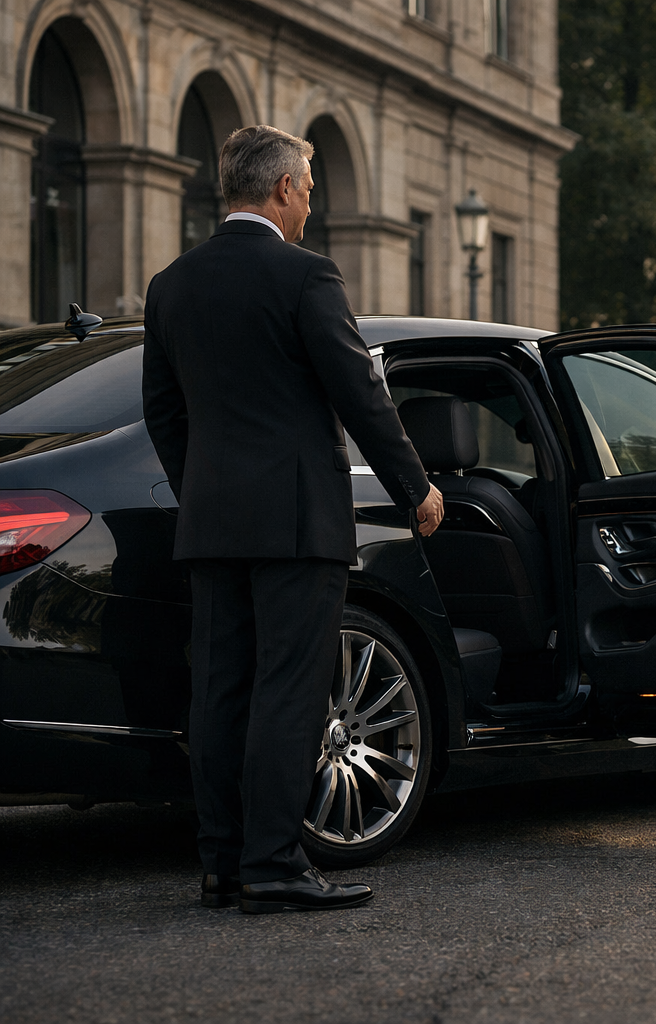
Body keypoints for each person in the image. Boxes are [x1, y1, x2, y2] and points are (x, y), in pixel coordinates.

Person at [142, 125, 445, 914]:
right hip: (298, 519)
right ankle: (274, 867)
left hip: (212, 524)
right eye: (309, 189)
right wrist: (415, 486)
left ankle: (223, 867)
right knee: (289, 691)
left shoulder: (170, 284)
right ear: (280, 189)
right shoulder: (306, 276)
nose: (312, 204)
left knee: (221, 690)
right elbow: (360, 395)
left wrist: (201, 490)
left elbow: (163, 413)